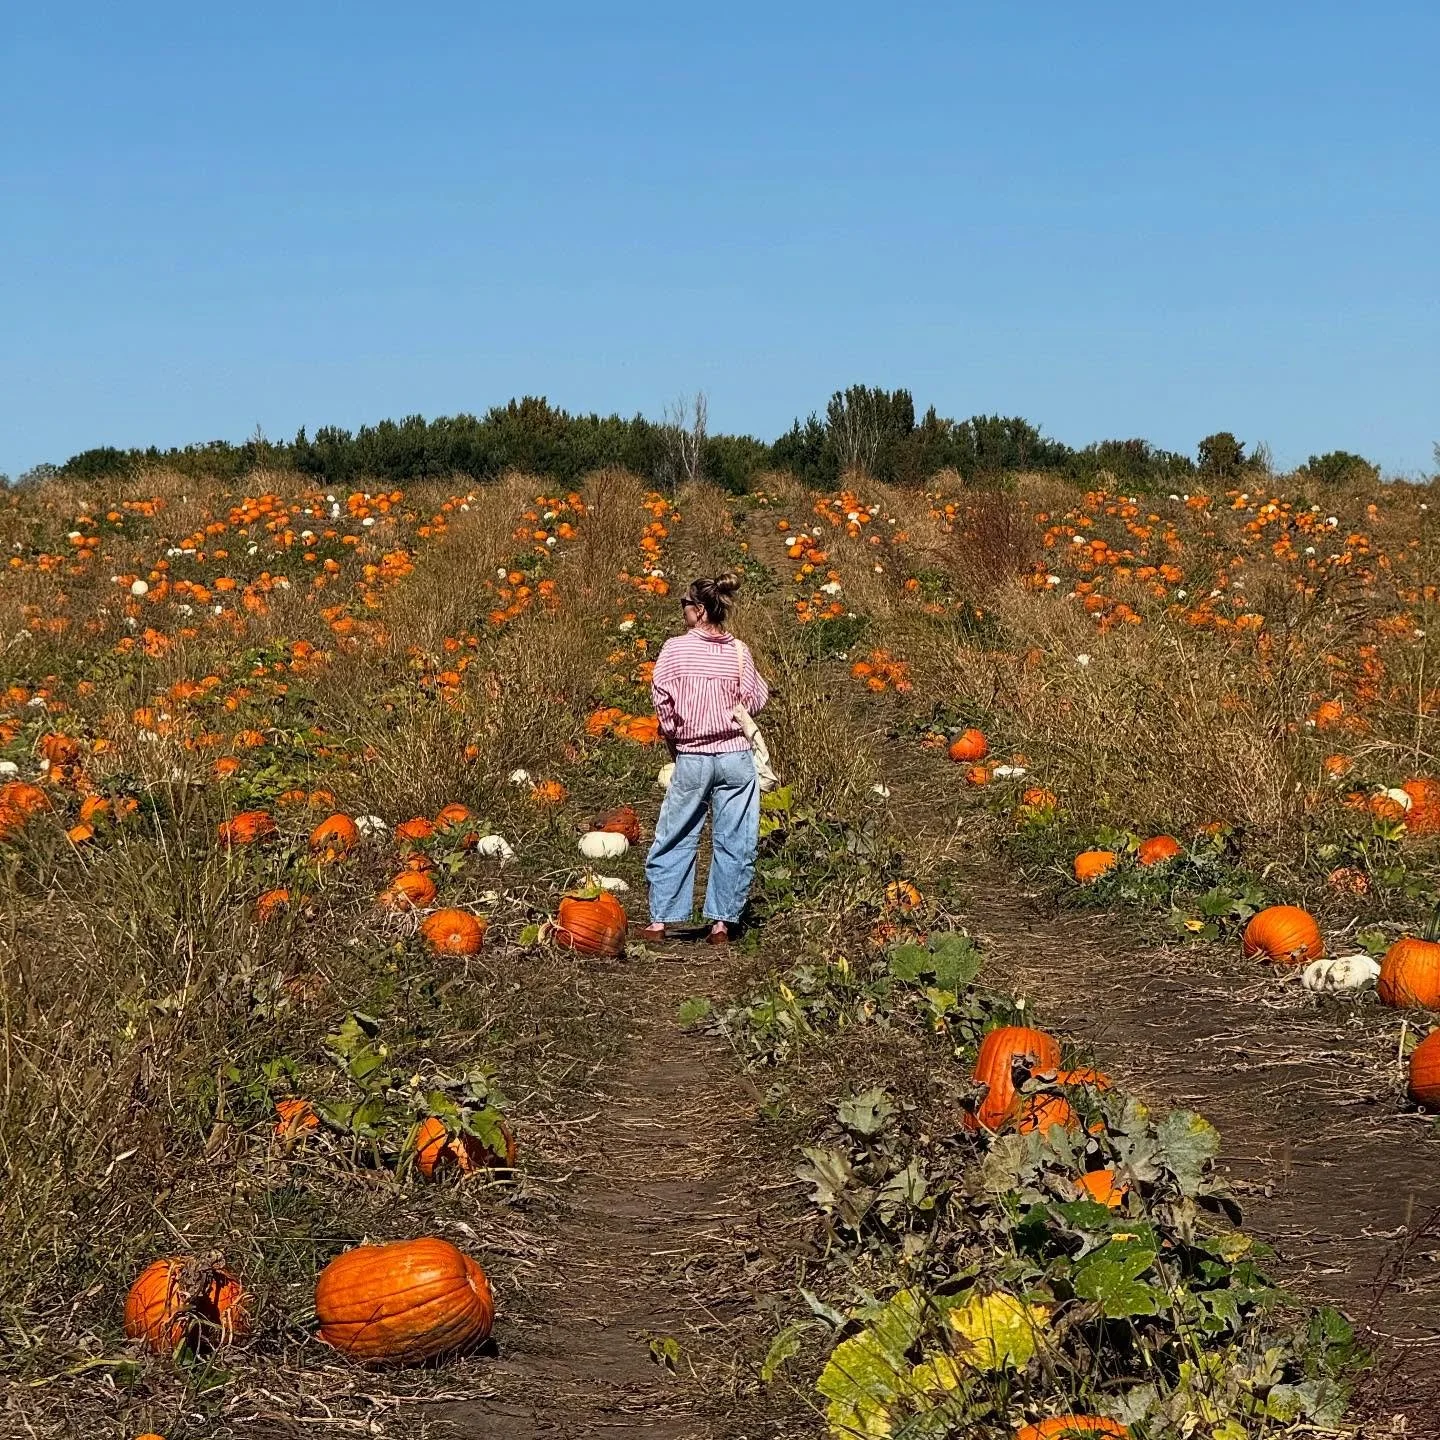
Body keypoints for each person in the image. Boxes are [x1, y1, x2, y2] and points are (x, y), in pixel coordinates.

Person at [642, 572, 770, 946]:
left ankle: (661, 920)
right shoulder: (738, 652)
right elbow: (756, 699)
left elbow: (662, 698)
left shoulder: (674, 649)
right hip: (735, 758)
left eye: (684, 604)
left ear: (699, 610)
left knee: (677, 833)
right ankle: (721, 923)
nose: (682, 610)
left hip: (693, 756)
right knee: (735, 838)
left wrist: (674, 734)